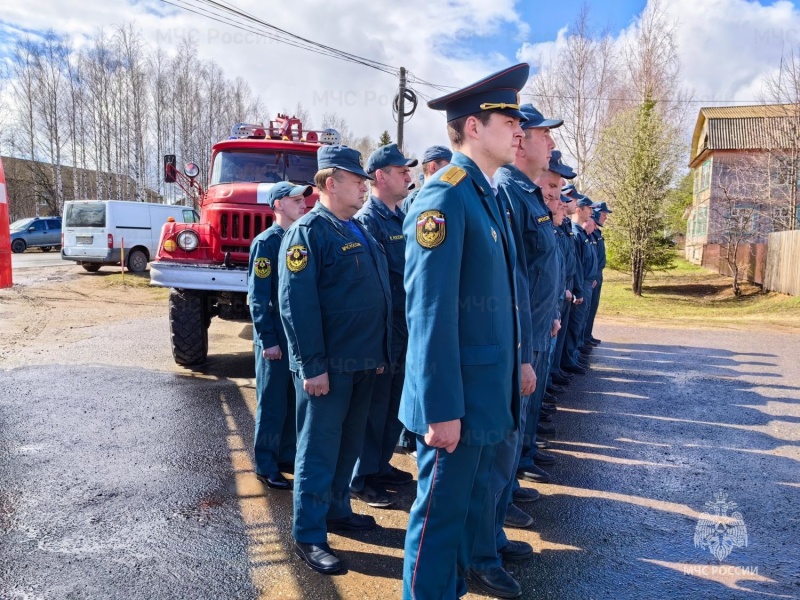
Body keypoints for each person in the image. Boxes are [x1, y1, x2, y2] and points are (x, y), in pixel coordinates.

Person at [401, 63, 528, 600]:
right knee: (435, 527)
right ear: (473, 127)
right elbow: (429, 312)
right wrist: (441, 409)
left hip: (482, 395)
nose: (519, 131)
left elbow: (499, 303)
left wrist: (517, 363)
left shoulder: (485, 195)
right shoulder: (445, 197)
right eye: (509, 119)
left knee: (456, 525)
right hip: (455, 404)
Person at [278, 145, 392, 575]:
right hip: (329, 368)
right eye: (356, 179)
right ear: (330, 183)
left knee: (347, 445)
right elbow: (296, 306)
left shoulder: (358, 229)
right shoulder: (308, 233)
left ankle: (338, 509)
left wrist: (379, 353)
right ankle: (308, 533)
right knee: (318, 448)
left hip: (362, 362)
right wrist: (313, 367)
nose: (364, 186)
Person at [350, 144, 418, 509]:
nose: (408, 176)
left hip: (402, 331)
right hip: (382, 334)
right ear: (381, 176)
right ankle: (360, 478)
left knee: (393, 406)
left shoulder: (400, 218)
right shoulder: (368, 221)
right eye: (401, 170)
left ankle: (379, 465)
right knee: (372, 409)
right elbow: (369, 287)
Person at [248, 181, 312, 490]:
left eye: (303, 198)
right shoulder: (267, 243)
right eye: (295, 199)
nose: (302, 203)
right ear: (278, 205)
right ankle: (266, 464)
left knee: (290, 400)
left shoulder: (298, 238)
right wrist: (268, 339)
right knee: (272, 404)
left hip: (294, 340)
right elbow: (258, 297)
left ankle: (285, 455)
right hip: (274, 340)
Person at [565, 198, 599, 371]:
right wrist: (578, 287)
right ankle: (568, 359)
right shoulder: (576, 233)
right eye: (589, 209)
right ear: (579, 210)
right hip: (580, 282)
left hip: (586, 281)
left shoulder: (580, 233)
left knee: (579, 322)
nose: (592, 213)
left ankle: (573, 355)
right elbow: (576, 265)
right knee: (574, 322)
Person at [584, 202, 612, 346]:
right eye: (603, 214)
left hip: (597, 273)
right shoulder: (590, 232)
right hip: (592, 275)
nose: (605, 217)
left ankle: (587, 335)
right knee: (586, 309)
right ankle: (583, 338)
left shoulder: (596, 232)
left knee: (592, 306)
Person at [402, 145, 453, 213]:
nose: (452, 173)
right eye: (449, 169)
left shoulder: (452, 197)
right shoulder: (413, 200)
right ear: (433, 167)